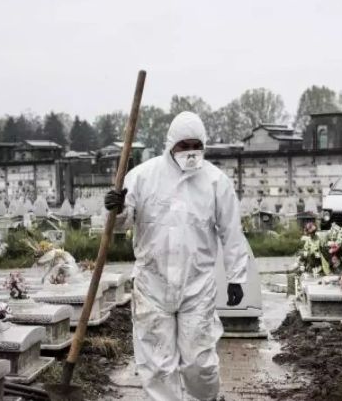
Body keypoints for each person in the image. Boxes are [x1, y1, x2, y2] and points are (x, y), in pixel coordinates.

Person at [104, 111, 249, 401]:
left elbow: (231, 231)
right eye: (184, 145)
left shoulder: (215, 182)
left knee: (199, 361)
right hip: (152, 285)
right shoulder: (143, 177)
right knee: (156, 364)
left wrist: (236, 277)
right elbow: (122, 223)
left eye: (196, 145)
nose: (191, 152)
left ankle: (206, 398)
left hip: (197, 286)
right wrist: (116, 207)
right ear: (171, 144)